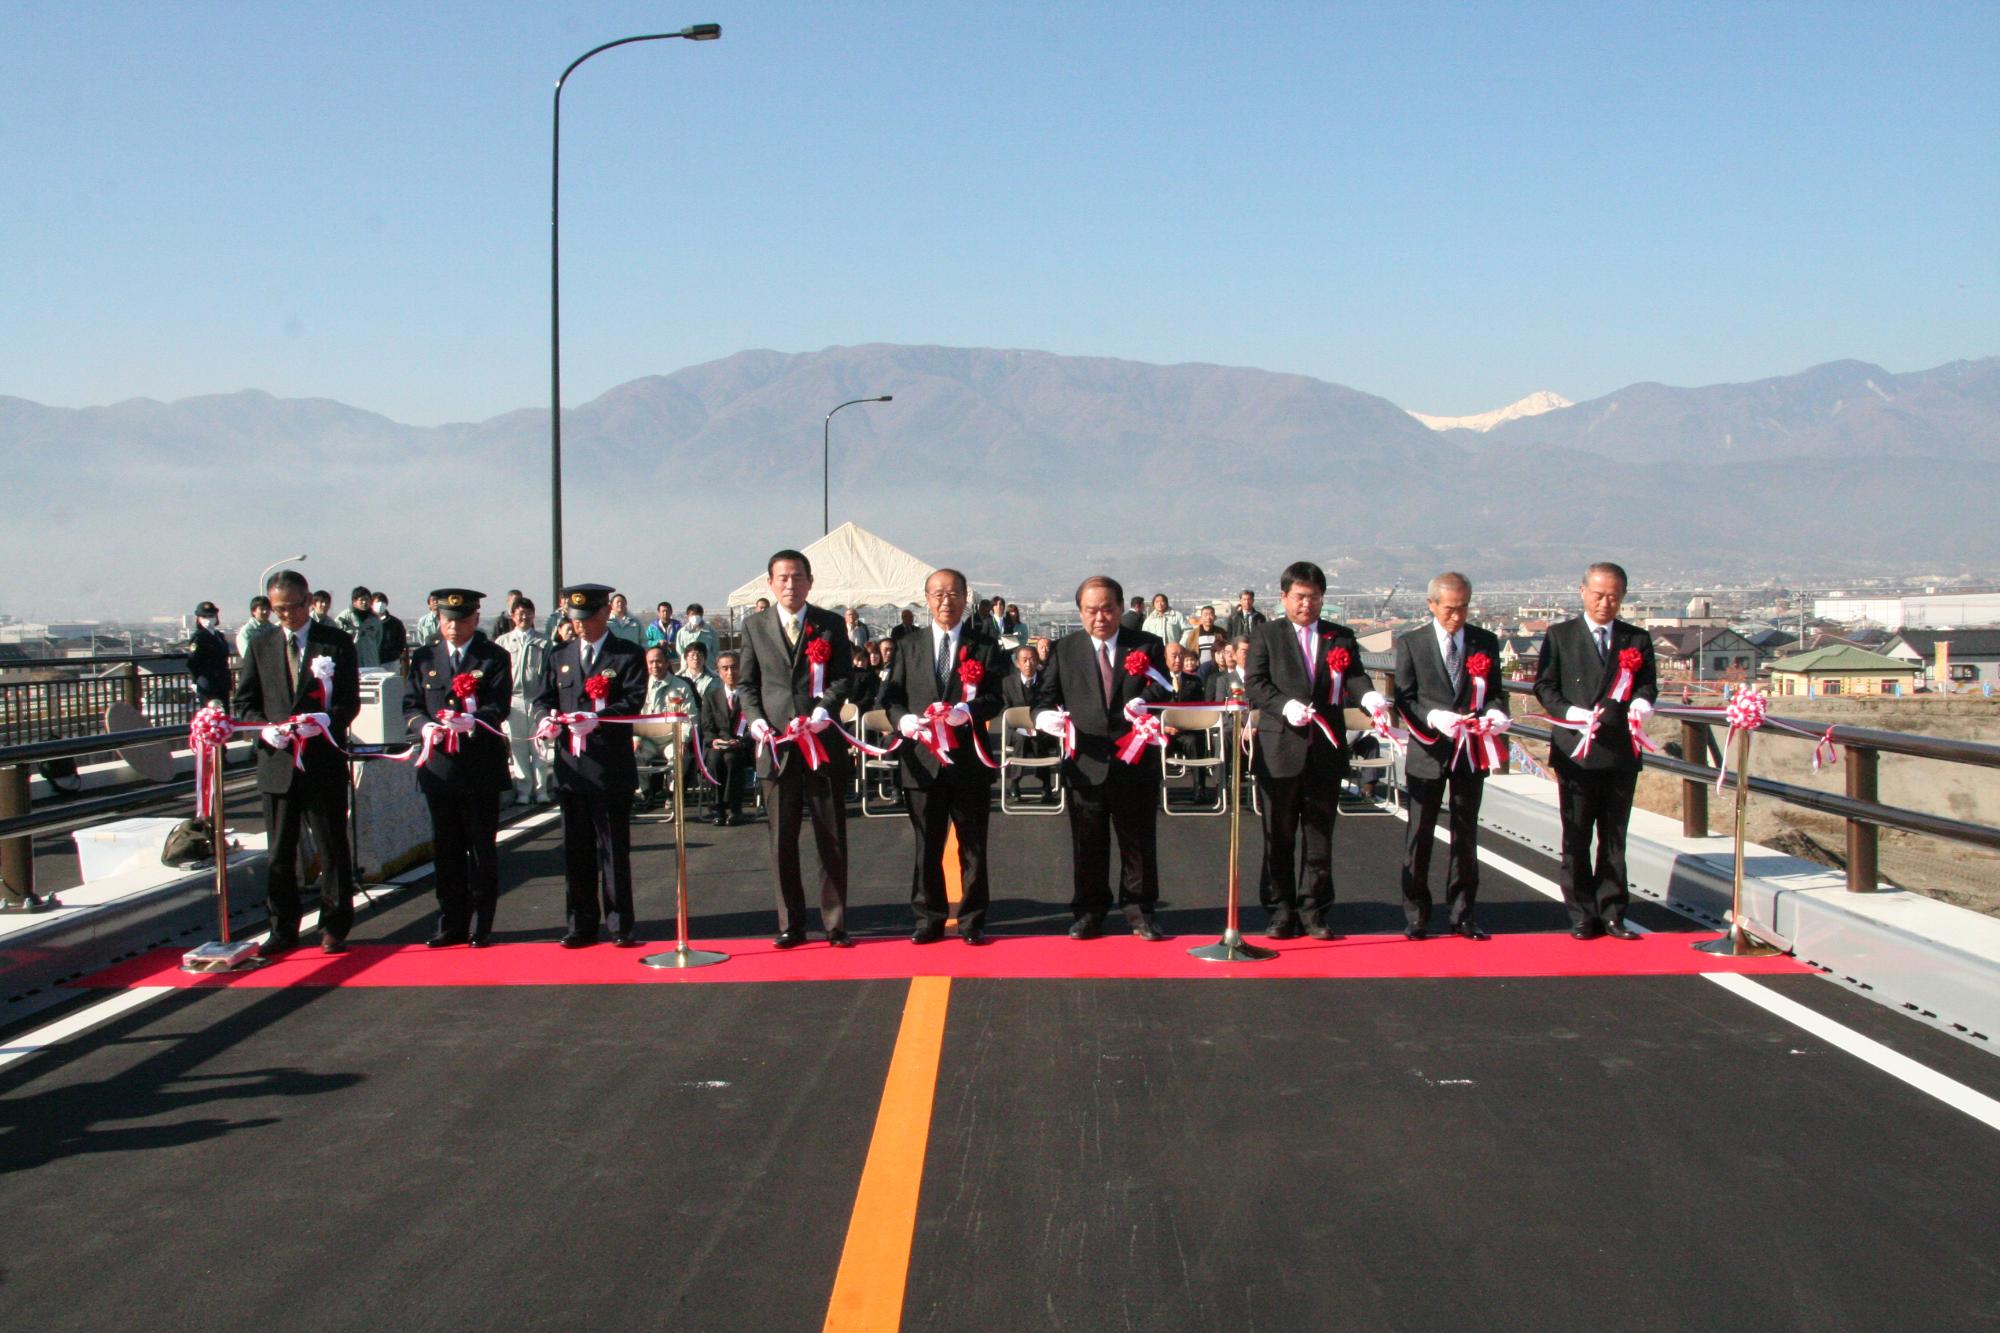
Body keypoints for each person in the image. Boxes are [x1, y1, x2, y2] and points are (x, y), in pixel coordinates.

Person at [1243, 560, 1390, 940]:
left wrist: (1369, 696)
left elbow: (1354, 676)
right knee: (1279, 835)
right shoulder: (1267, 635)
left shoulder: (1339, 637)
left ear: (1323, 598)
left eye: (1314, 597)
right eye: (1299, 597)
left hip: (1324, 749)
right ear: (1284, 597)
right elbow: (1256, 684)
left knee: (1319, 835)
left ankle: (1315, 911)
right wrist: (1282, 705)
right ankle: (1279, 910)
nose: (1306, 604)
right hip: (1279, 748)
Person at [1033, 574, 1173, 940]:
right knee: (1087, 843)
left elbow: (1165, 688)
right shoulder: (1066, 650)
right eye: (1091, 610)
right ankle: (1089, 912)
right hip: (1086, 762)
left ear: (1121, 608)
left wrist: (1149, 701)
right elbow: (1044, 698)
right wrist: (1043, 716)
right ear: (1080, 612)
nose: (1100, 617)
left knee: (1138, 842)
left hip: (1135, 760)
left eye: (1107, 609)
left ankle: (1141, 911)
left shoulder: (1147, 645)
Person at [231, 569, 361, 955]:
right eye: (277, 610)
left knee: (331, 845)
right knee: (280, 851)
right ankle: (282, 927)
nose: (285, 615)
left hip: (321, 758)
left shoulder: (335, 643)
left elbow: (348, 700)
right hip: (278, 762)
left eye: (291, 607)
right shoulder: (261, 644)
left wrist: (323, 722)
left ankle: (334, 923)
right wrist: (263, 729)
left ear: (308, 602)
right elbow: (246, 701)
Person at [738, 548, 858, 947]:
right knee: (781, 838)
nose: (791, 584)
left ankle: (835, 923)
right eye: (783, 578)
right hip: (776, 745)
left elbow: (843, 676)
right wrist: (754, 717)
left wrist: (826, 709)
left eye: (798, 577)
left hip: (820, 741)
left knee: (831, 834)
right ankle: (791, 922)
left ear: (810, 581)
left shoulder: (828, 624)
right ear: (770, 583)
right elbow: (747, 683)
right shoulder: (755, 626)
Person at [881, 567, 1008, 945]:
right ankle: (929, 918)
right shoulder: (908, 645)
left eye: (953, 593)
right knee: (927, 846)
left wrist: (967, 712)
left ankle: (972, 919)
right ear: (926, 599)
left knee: (972, 847)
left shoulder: (984, 647)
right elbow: (889, 696)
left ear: (966, 597)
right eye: (937, 594)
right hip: (922, 762)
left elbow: (996, 698)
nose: (945, 601)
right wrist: (901, 719)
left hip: (968, 762)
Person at [1533, 561, 1658, 940]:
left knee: (1615, 835)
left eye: (1614, 597)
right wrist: (1570, 714)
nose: (1606, 603)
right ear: (1583, 591)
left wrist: (1642, 703)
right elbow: (1545, 686)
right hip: (1576, 749)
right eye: (1599, 594)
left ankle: (1614, 911)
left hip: (1620, 749)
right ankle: (1581, 913)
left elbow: (1647, 684)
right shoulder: (1560, 635)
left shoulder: (1636, 638)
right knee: (1576, 834)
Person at [1392, 572, 1510, 941]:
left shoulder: (1484, 642)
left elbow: (1494, 691)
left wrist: (1496, 713)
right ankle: (1417, 915)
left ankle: (1463, 914)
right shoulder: (1412, 642)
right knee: (1420, 834)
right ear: (1431, 605)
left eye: (1462, 609)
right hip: (1428, 751)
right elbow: (1405, 698)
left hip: (1470, 751)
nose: (1456, 617)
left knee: (1465, 834)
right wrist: (1432, 718)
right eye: (1448, 609)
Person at [533, 583, 648, 947]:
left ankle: (619, 924)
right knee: (576, 850)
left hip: (609, 765)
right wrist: (545, 719)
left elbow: (633, 700)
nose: (580, 625)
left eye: (587, 618)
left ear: (604, 614)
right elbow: (543, 697)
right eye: (574, 618)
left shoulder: (626, 654)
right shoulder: (559, 654)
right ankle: (580, 923)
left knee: (613, 849)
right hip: (571, 766)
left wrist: (599, 718)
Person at [402, 588, 512, 947]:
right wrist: (424, 726)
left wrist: (474, 721)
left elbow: (499, 706)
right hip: (440, 768)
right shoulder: (423, 657)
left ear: (476, 619)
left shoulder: (492, 657)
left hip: (479, 767)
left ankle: (481, 923)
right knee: (446, 851)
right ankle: (451, 922)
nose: (453, 626)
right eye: (447, 620)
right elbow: (411, 706)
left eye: (462, 619)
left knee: (481, 851)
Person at [496, 599, 552, 806]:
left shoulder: (544, 642)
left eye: (528, 613)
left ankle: (541, 789)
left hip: (537, 700)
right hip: (514, 700)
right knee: (518, 747)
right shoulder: (503, 642)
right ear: (512, 616)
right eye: (520, 613)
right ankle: (523, 790)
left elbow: (549, 673)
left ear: (533, 615)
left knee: (539, 746)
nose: (524, 617)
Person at [635, 646, 694, 812]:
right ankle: (645, 793)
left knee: (678, 756)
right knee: (633, 754)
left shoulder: (681, 687)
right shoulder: (640, 687)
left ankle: (672, 793)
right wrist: (635, 739)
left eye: (659, 661)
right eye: (651, 662)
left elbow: (690, 718)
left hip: (671, 738)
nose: (655, 665)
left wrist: (683, 740)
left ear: (667, 663)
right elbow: (635, 716)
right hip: (648, 739)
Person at [700, 650, 753, 826]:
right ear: (718, 672)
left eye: (734, 667)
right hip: (718, 745)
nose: (730, 672)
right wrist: (714, 740)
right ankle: (718, 809)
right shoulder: (711, 697)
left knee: (732, 759)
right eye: (725, 668)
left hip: (743, 746)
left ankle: (735, 808)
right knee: (714, 759)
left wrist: (741, 741)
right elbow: (707, 727)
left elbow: (756, 724)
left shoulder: (750, 695)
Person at [1002, 642, 1056, 803]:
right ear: (1017, 663)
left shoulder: (1047, 681)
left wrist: (1037, 727)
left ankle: (1045, 784)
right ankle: (1015, 782)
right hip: (1016, 730)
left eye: (1032, 659)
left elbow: (1052, 705)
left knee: (1038, 738)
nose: (1028, 663)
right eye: (1024, 660)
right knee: (1022, 738)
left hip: (1042, 730)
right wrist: (1021, 728)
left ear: (1038, 661)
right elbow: (1005, 709)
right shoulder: (1007, 683)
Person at [187, 601, 232, 705]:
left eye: (211, 616)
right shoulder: (198, 637)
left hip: (222, 682)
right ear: (199, 619)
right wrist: (194, 681)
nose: (209, 619)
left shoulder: (219, 636)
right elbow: (192, 662)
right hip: (207, 683)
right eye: (205, 616)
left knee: (224, 715)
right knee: (211, 716)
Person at [336, 586, 383, 668]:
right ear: (354, 601)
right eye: (361, 600)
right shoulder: (344, 617)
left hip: (370, 660)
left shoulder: (375, 619)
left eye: (367, 600)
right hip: (350, 659)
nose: (365, 602)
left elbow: (378, 639)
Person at [1183, 605, 1225, 676]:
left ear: (1215, 617)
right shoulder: (1193, 634)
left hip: (1217, 668)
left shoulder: (1221, 633)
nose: (1208, 617)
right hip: (1199, 669)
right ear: (1201, 618)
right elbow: (1189, 651)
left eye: (1211, 614)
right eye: (1205, 615)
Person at [375, 592, 408, 667]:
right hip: (371, 661)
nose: (380, 604)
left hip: (391, 662)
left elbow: (401, 641)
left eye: (382, 602)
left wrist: (395, 654)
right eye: (377, 602)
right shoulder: (367, 622)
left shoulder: (395, 623)